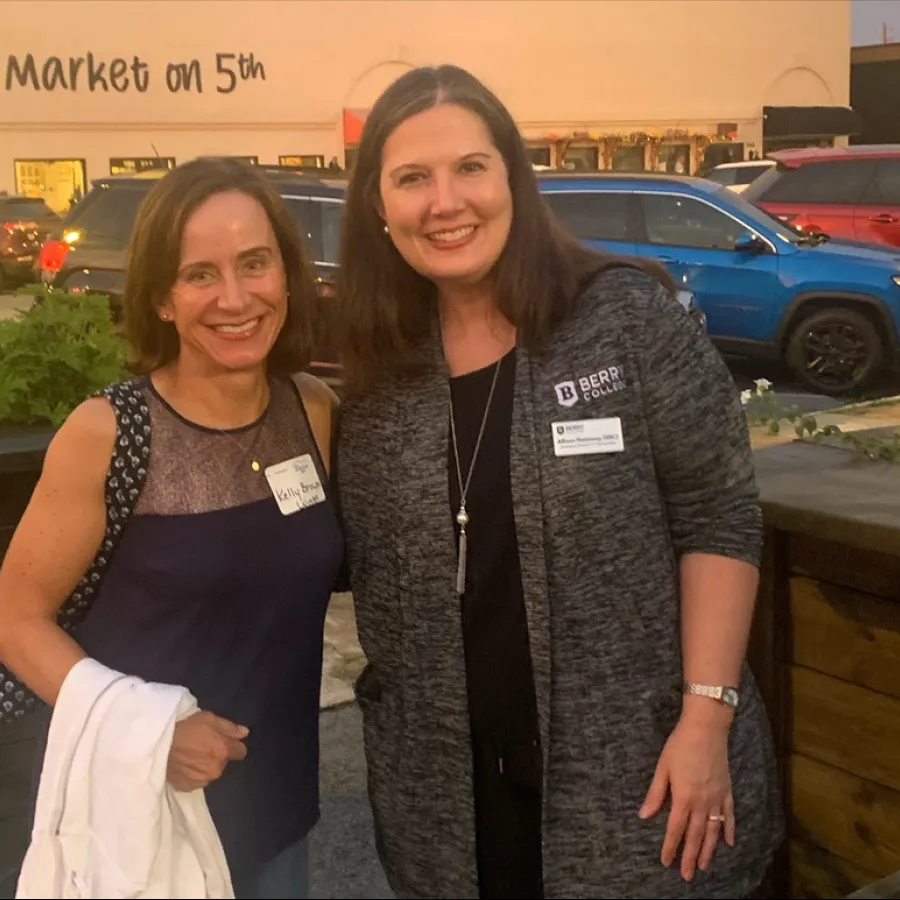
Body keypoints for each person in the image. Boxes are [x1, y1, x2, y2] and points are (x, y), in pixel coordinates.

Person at [333, 65, 783, 900]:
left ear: (512, 176)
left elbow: (718, 516)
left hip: (639, 771)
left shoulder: (622, 320)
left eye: (470, 167)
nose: (446, 201)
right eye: (412, 178)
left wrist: (706, 717)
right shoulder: (376, 375)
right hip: (448, 796)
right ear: (378, 207)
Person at [0, 157, 344, 899]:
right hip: (136, 826)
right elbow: (14, 615)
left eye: (255, 264)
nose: (235, 298)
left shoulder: (312, 412)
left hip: (277, 814)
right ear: (160, 296)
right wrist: (149, 733)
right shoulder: (109, 432)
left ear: (286, 273)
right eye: (200, 274)